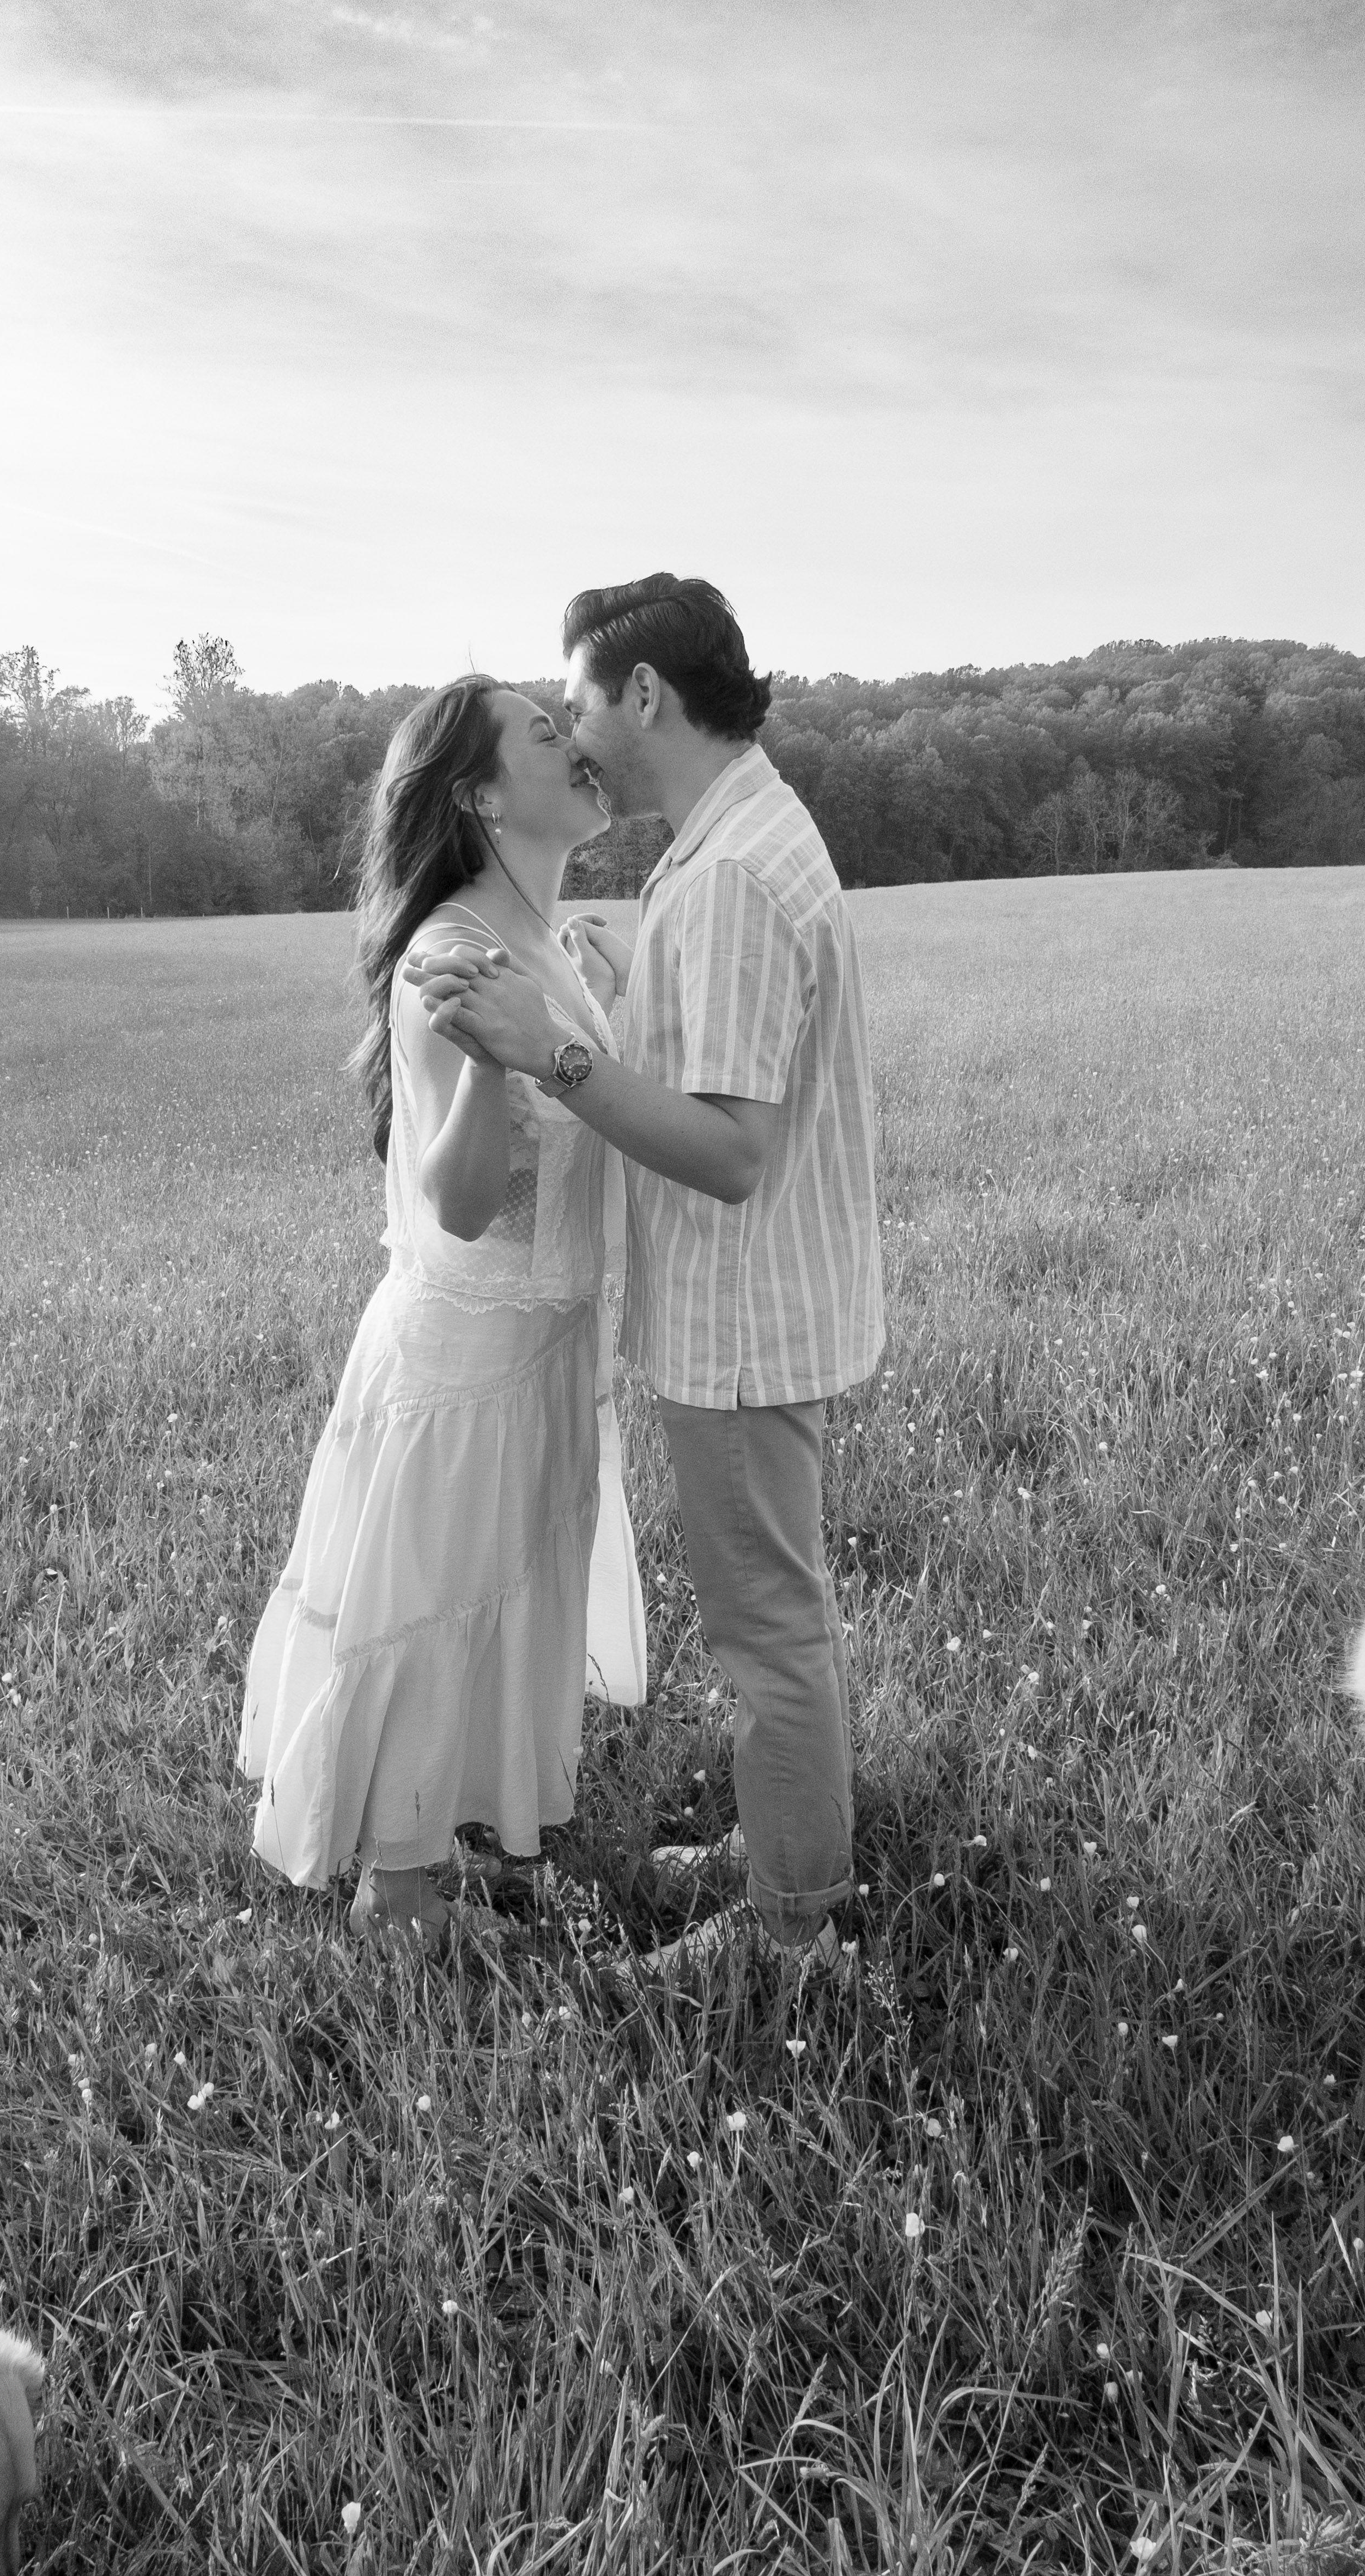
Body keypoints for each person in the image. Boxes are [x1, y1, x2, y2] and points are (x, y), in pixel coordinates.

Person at [408, 577, 884, 1975]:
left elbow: (731, 1152)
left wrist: (551, 1048)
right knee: (771, 1614)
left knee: (766, 1630)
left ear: (645, 695)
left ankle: (792, 1929)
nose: (572, 734)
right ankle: (787, 1844)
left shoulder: (728, 874)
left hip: (743, 1312)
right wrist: (626, 992)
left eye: (576, 705)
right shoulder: (731, 836)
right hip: (760, 1299)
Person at [236, 676, 647, 1943]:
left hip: (545, 1341)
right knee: (431, 1617)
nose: (578, 746)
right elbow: (462, 1202)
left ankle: (459, 1850)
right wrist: (490, 1068)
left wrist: (613, 1001)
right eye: (546, 735)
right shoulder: (453, 956)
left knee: (501, 1602)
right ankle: (400, 1902)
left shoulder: (541, 937)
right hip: (470, 1357)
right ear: (481, 796)